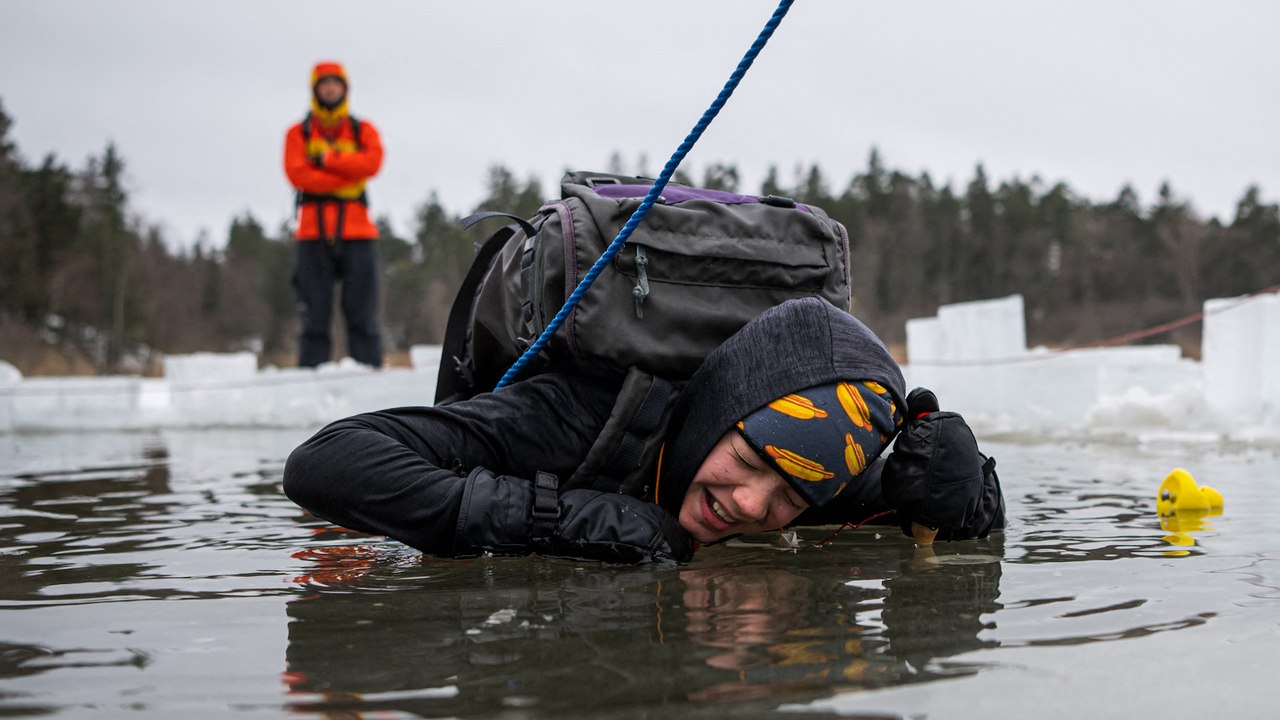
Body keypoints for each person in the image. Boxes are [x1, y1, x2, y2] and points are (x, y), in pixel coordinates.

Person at [283, 297, 1005, 564]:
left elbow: (941, 510)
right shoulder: (580, 416)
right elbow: (324, 462)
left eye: (788, 497)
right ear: (725, 412)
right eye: (752, 459)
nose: (753, 505)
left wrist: (957, 490)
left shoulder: (810, 477)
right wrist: (562, 520)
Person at [283, 60, 384, 368]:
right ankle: (309, 379)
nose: (330, 89)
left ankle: (369, 375)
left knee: (363, 313)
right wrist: (346, 178)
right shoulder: (297, 133)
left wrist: (326, 158)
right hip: (312, 232)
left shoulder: (362, 130)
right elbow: (298, 174)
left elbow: (372, 163)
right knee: (314, 315)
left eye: (335, 83)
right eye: (324, 83)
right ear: (315, 89)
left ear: (344, 88)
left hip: (358, 232)